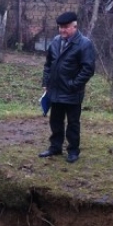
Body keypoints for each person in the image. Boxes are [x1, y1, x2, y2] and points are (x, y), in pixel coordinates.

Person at [39, 11, 96, 163]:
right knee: (55, 121)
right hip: (55, 91)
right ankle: (55, 147)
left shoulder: (84, 44)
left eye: (66, 27)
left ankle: (73, 151)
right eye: (60, 27)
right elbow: (48, 65)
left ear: (74, 26)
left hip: (72, 93)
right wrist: (46, 83)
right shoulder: (56, 41)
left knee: (73, 123)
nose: (62, 30)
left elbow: (88, 69)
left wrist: (73, 85)